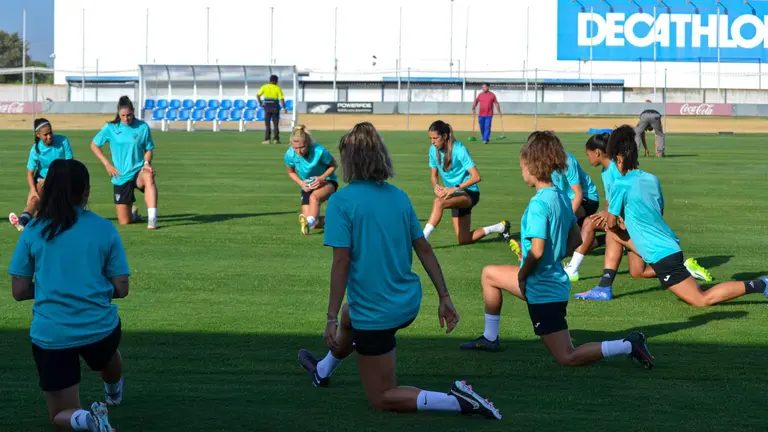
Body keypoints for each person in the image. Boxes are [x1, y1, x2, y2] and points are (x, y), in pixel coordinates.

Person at [296, 122, 501, 420]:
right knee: (348, 316)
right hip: (406, 301)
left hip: (377, 313)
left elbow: (341, 263)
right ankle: (322, 370)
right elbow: (424, 249)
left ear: (349, 160)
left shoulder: (341, 201)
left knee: (381, 397)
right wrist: (444, 297)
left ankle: (459, 402)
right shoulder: (398, 196)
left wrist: (328, 318)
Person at [458, 131, 654, 370]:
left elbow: (538, 251)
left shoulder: (539, 203)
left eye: (522, 167)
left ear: (532, 167)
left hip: (542, 288)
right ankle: (490, 338)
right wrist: (546, 253)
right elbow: (574, 241)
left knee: (567, 356)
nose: (521, 172)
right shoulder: (561, 197)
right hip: (554, 281)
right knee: (489, 274)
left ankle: (627, 345)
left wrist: (523, 274)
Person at [8, 159, 129, 432]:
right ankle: (113, 393)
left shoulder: (33, 231)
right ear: (85, 191)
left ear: (46, 190)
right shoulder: (104, 228)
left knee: (61, 415)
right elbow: (121, 287)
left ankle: (89, 419)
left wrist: (54, 287)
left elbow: (19, 291)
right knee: (108, 354)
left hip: (52, 334)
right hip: (100, 328)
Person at [597, 125, 767, 306]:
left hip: (661, 254)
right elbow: (657, 211)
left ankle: (761, 285)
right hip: (669, 245)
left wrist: (618, 224)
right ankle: (603, 286)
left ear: (619, 159)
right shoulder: (651, 179)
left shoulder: (620, 185)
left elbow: (611, 222)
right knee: (629, 259)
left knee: (701, 299)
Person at [572, 129, 711, 301]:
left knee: (597, 225)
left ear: (598, 153)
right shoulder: (608, 172)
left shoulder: (616, 171)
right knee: (637, 272)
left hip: (635, 225)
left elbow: (621, 202)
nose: (587, 158)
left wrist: (614, 218)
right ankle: (682, 268)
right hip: (636, 224)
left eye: (587, 154)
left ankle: (580, 272)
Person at [422, 120, 511, 245]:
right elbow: (433, 175)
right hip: (453, 195)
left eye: (435, 138)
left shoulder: (459, 150)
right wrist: (435, 185)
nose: (432, 142)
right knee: (464, 240)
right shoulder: (433, 150)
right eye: (430, 138)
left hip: (469, 193)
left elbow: (476, 176)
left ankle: (421, 239)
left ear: (445, 136)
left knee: (438, 202)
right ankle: (500, 227)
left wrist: (454, 188)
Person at [90, 96, 159, 230]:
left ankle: (152, 220)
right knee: (124, 222)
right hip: (120, 176)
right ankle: (133, 213)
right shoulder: (111, 128)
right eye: (123, 115)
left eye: (129, 115)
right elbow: (94, 145)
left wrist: (146, 163)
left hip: (138, 171)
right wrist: (107, 165)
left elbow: (149, 149)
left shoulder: (142, 127)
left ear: (133, 111)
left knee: (149, 175)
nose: (126, 118)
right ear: (118, 113)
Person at [9, 118, 73, 232]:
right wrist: (33, 190)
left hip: (62, 178)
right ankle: (22, 222)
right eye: (45, 134)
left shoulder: (63, 141)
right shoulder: (36, 150)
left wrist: (50, 178)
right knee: (34, 200)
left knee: (53, 211)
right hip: (42, 180)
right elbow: (29, 173)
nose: (49, 136)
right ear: (38, 135)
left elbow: (70, 164)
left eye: (50, 133)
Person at [284, 125, 338, 235]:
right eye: (295, 148)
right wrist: (301, 183)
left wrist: (321, 178)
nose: (298, 151)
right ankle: (334, 219)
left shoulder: (320, 151)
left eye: (302, 147)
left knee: (314, 197)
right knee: (313, 223)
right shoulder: (289, 154)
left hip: (327, 181)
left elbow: (334, 165)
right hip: (307, 185)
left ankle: (308, 223)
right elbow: (291, 172)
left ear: (307, 144)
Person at [551, 150, 600, 226]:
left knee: (559, 219)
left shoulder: (567, 160)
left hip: (587, 197)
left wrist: (566, 219)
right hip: (566, 200)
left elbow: (578, 194)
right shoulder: (542, 163)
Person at [257, 74, 288, 145]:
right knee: (276, 125)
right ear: (275, 81)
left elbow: (258, 95)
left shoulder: (264, 87)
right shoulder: (277, 88)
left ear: (270, 80)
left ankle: (267, 140)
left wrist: (260, 103)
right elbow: (281, 99)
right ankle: (276, 139)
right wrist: (284, 107)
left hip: (267, 107)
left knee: (267, 125)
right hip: (275, 107)